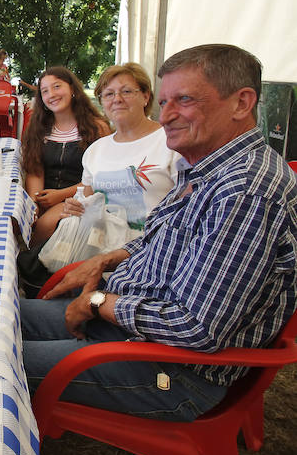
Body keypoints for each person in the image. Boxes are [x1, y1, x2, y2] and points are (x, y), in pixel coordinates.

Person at [22, 44, 297, 422]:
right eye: (165, 102)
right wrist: (107, 259)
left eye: (183, 100)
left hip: (173, 370)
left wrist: (98, 302)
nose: (166, 116)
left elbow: (197, 328)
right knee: (0, 318)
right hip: (133, 327)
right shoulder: (204, 163)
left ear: (241, 103)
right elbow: (158, 236)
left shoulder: (246, 190)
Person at [60, 63, 180, 231]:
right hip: (99, 244)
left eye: (126, 91)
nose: (117, 99)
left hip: (151, 247)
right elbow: (85, 202)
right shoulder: (95, 150)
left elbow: (186, 206)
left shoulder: (171, 142)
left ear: (146, 97)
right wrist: (74, 207)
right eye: (109, 94)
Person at [22, 66, 110, 245]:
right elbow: (34, 170)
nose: (51, 94)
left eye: (57, 86)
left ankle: (30, 267)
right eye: (44, 91)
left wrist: (59, 195)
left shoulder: (97, 128)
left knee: (46, 224)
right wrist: (34, 202)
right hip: (45, 197)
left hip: (82, 197)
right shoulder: (39, 128)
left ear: (72, 89)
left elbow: (101, 178)